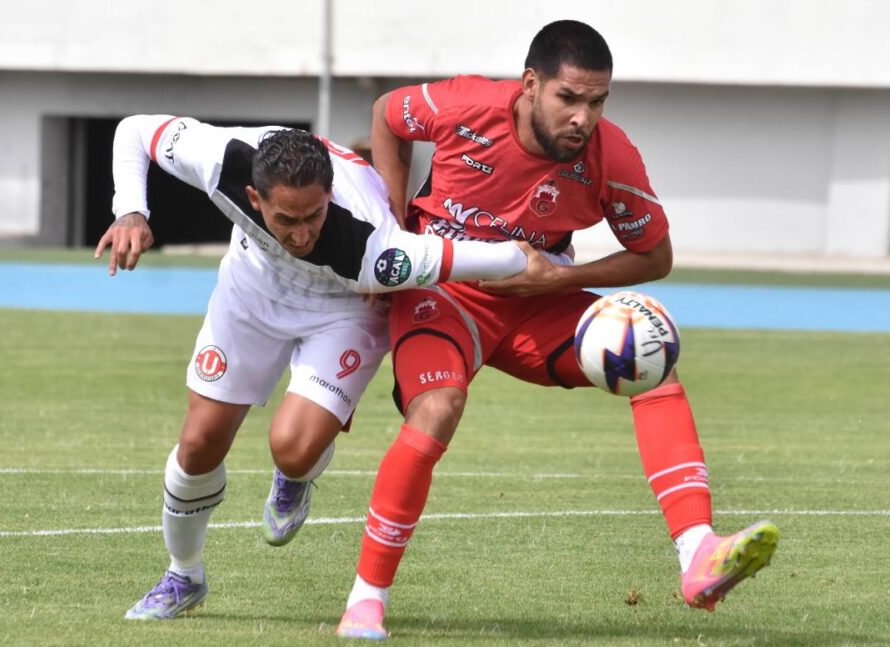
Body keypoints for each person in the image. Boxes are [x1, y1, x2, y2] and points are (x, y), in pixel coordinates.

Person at [334, 20, 780, 640]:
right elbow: (387, 113)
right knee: (438, 408)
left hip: (538, 303)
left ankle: (698, 553)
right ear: (530, 86)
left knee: (650, 362)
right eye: (569, 98)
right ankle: (365, 600)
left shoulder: (610, 156)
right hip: (443, 294)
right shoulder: (462, 104)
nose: (583, 118)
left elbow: (655, 257)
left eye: (597, 102)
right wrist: (392, 220)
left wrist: (555, 283)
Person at [96, 115, 563, 620]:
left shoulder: (376, 249)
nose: (300, 235)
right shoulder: (219, 158)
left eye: (313, 217)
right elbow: (135, 131)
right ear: (254, 198)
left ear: (330, 192)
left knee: (293, 449)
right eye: (285, 219)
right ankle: (183, 575)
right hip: (252, 291)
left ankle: (297, 474)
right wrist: (131, 211)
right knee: (198, 444)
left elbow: (486, 259)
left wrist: (544, 268)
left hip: (345, 306)